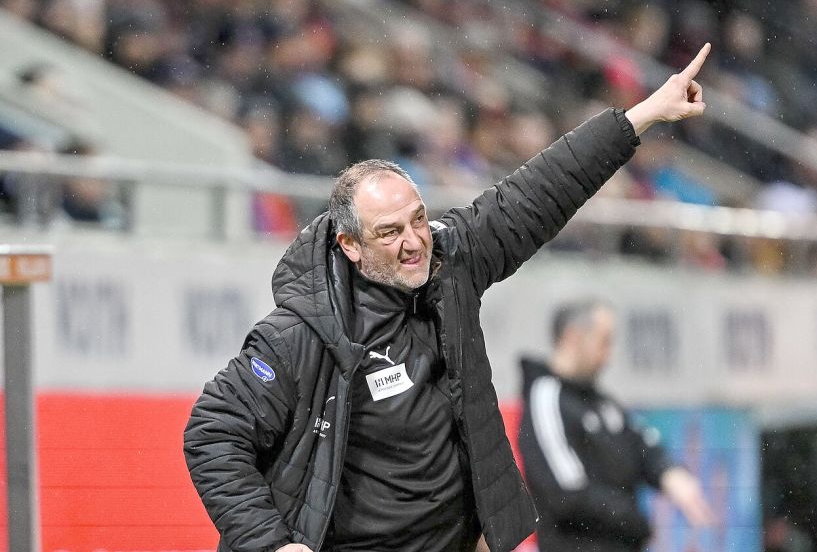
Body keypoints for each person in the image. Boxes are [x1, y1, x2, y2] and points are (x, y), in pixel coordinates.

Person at [183, 44, 712, 552]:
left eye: (418, 219)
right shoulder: (299, 333)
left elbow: (539, 191)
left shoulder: (452, 262)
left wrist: (640, 117)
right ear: (349, 245)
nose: (414, 241)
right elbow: (212, 434)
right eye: (389, 232)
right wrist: (272, 544)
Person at [519, 299, 714, 552]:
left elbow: (641, 443)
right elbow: (567, 494)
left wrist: (669, 472)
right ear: (573, 337)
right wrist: (635, 521)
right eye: (604, 341)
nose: (608, 356)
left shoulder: (601, 401)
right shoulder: (546, 397)